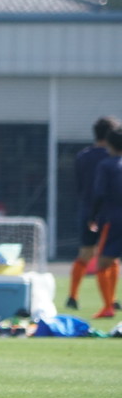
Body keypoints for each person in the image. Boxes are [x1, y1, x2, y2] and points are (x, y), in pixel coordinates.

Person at [66, 115, 121, 311]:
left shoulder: (83, 156)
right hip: (108, 214)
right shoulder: (112, 158)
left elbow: (79, 186)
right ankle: (110, 301)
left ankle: (73, 295)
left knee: (85, 254)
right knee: (110, 257)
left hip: (87, 211)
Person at [87, 127, 122, 319]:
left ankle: (108, 306)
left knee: (102, 262)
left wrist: (92, 216)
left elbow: (99, 193)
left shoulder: (106, 165)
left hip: (112, 219)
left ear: (109, 144)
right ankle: (112, 302)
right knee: (114, 260)